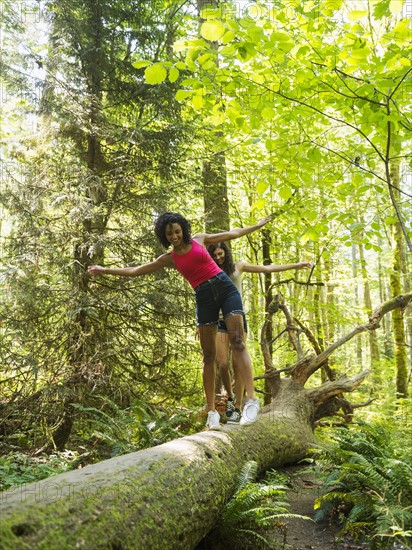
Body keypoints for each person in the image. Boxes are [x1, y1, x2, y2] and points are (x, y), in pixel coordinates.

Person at [88, 212, 271, 430]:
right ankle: (212, 411)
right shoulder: (169, 258)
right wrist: (104, 269)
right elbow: (136, 271)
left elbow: (233, 233)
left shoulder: (200, 240)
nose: (175, 236)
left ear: (183, 229)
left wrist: (257, 226)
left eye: (177, 231)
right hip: (203, 297)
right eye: (169, 234)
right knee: (209, 356)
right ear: (164, 236)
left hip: (225, 288)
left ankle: (251, 401)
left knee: (238, 341)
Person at [207, 241, 313, 424]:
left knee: (238, 363)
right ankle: (231, 401)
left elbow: (267, 268)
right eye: (214, 255)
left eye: (220, 253)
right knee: (222, 363)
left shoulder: (238, 267)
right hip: (218, 321)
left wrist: (297, 264)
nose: (218, 257)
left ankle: (239, 407)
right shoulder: (209, 272)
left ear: (226, 252)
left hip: (237, 318)